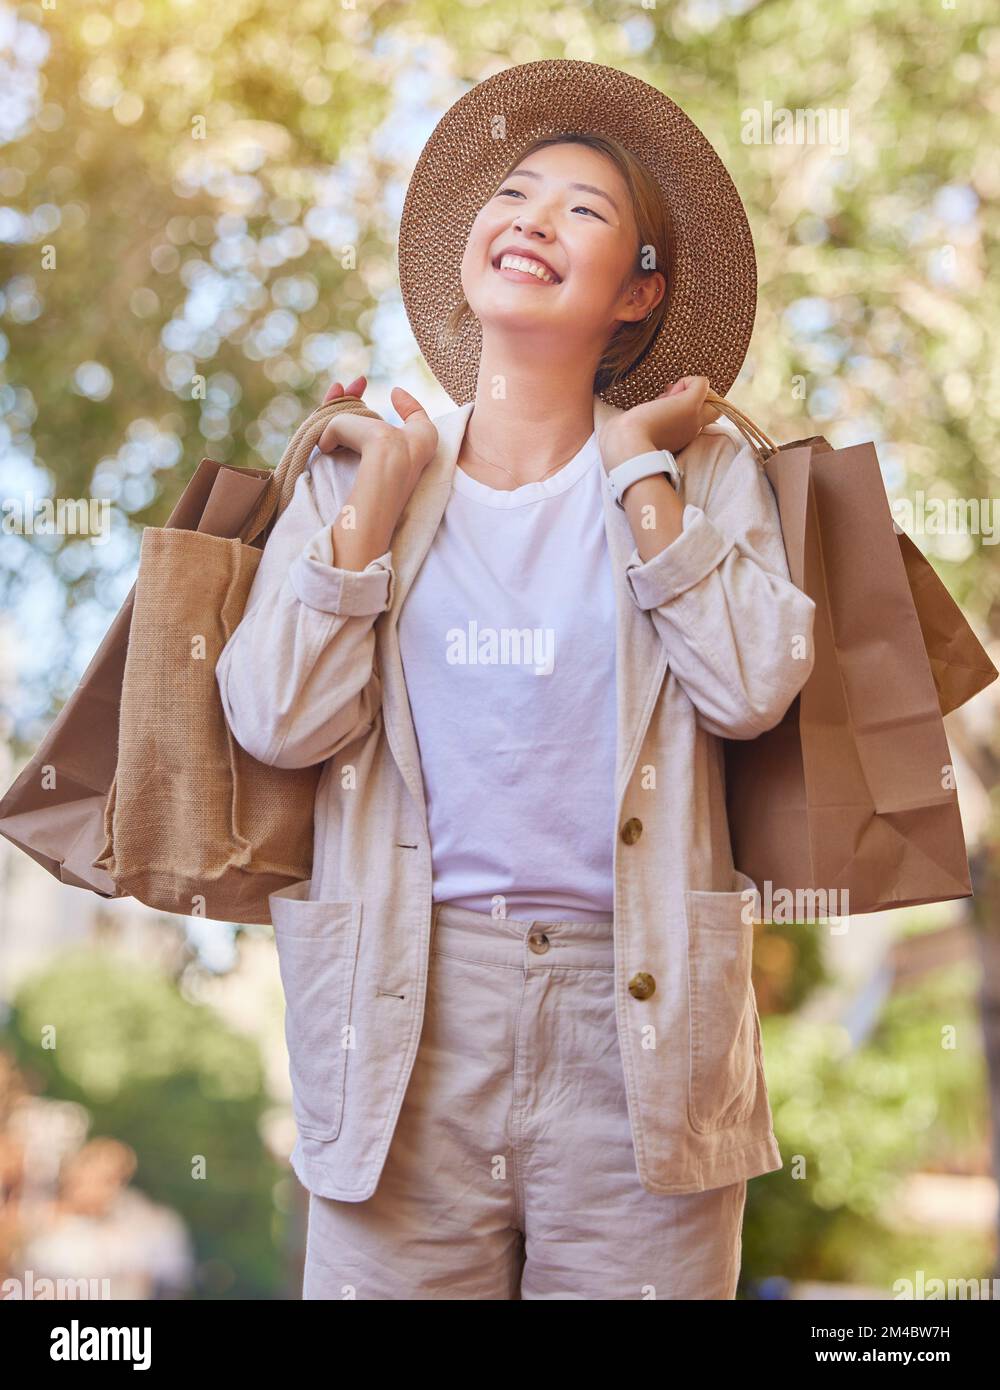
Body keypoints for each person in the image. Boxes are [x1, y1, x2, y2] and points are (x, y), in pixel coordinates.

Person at [215, 60, 817, 1299]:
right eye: (516, 193)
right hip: (405, 1007)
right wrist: (370, 510)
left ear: (638, 291)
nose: (534, 218)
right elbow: (274, 717)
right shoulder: (356, 474)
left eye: (585, 211)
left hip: (639, 1013)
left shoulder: (698, 478)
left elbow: (755, 685)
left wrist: (638, 471)